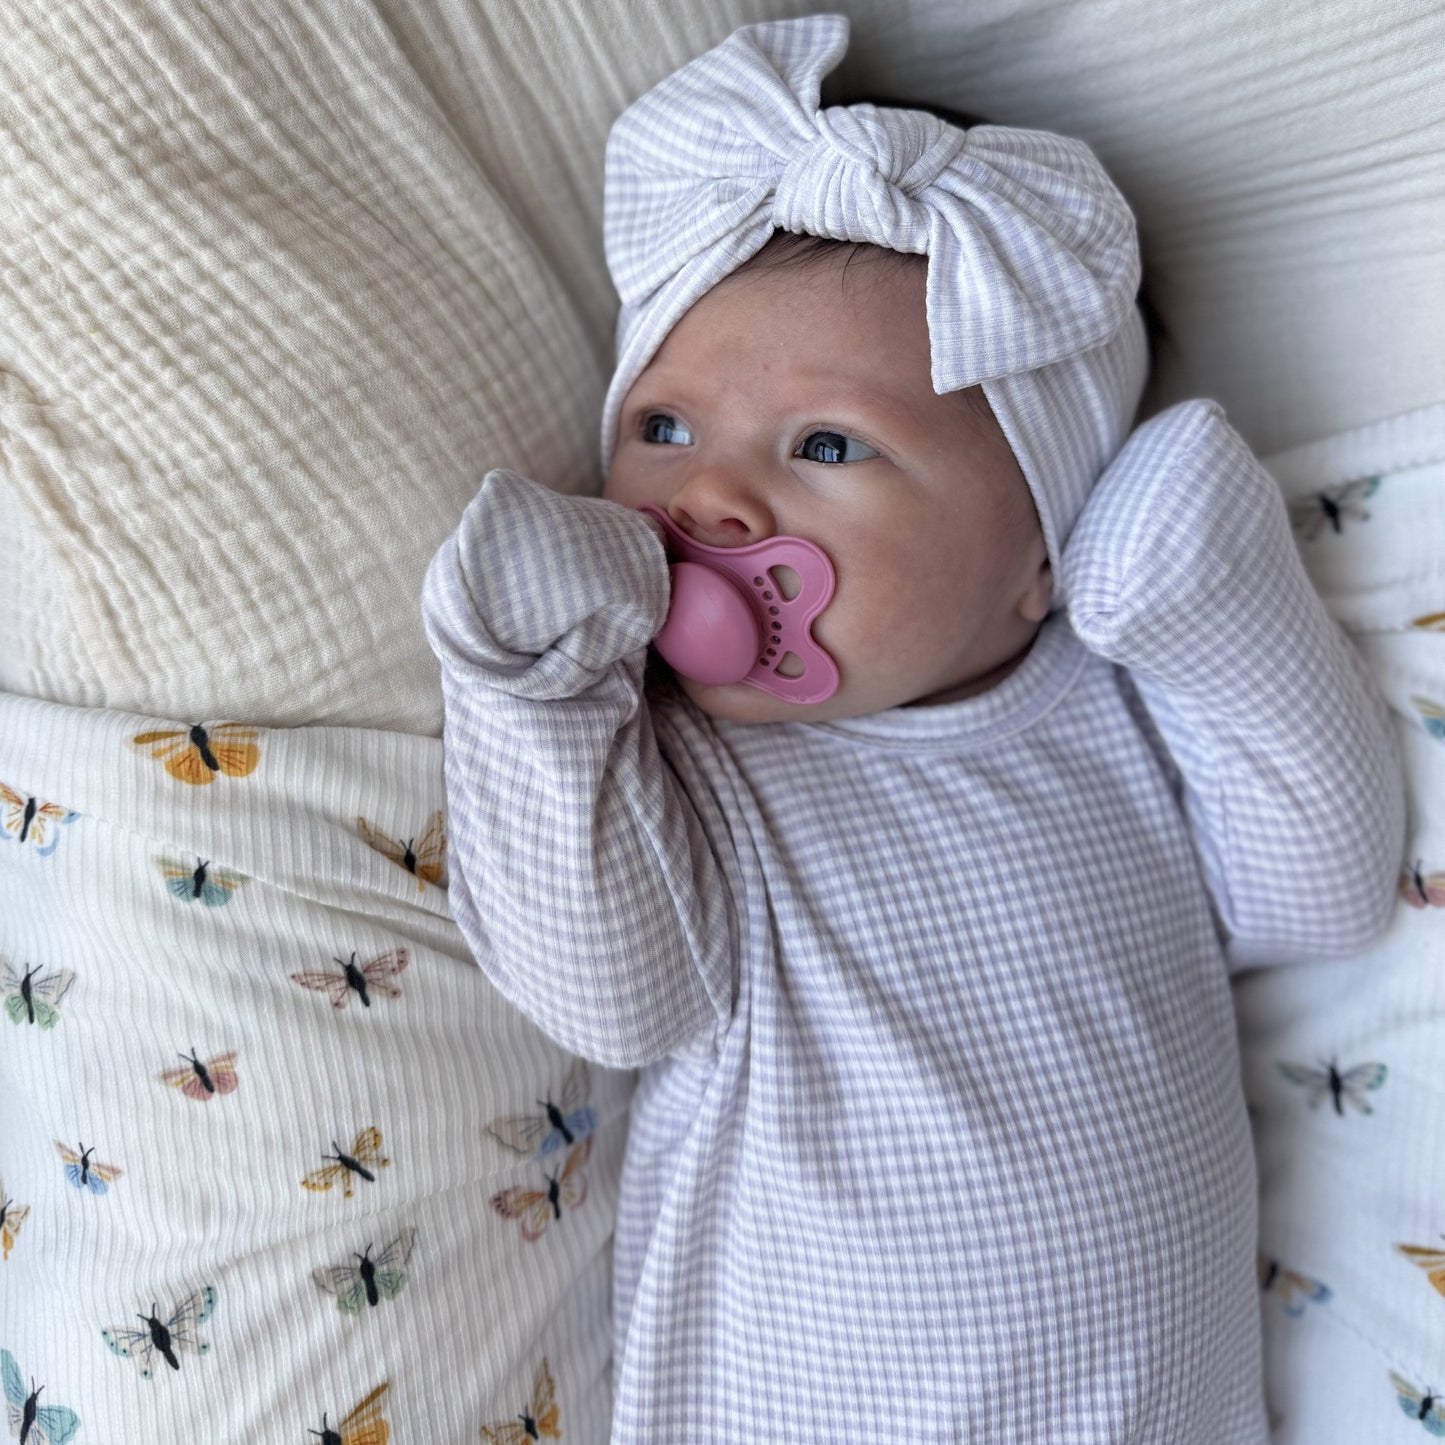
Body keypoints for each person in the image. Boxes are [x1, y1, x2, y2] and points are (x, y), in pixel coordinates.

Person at [422, 15, 1403, 1442]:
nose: (709, 502)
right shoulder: (687, 760)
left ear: (1040, 555)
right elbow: (607, 992)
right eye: (666, 427)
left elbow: (1314, 890)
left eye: (826, 446)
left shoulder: (1113, 703)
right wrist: (533, 679)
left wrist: (1207, 601)